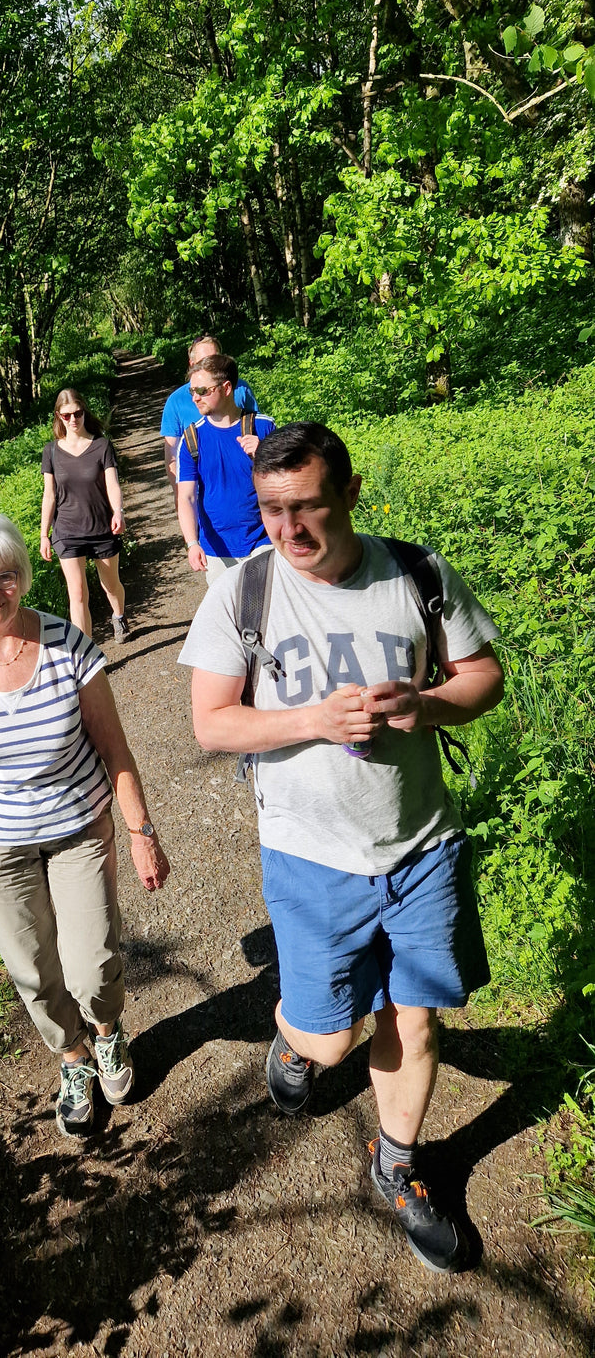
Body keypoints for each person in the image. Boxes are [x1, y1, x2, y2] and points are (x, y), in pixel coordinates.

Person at [179, 422, 504, 1273]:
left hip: (422, 844)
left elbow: (483, 675)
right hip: (311, 854)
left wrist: (428, 706)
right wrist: (315, 719)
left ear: (351, 493)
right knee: (333, 1039)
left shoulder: (416, 573)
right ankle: (295, 1043)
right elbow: (211, 721)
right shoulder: (243, 593)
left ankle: (398, 1164)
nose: (287, 529)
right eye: (270, 509)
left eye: (306, 507)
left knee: (415, 1013)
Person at [0, 513, 171, 1138]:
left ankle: (107, 1031)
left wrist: (141, 833)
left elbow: (114, 749)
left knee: (93, 964)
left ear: (23, 578)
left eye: (2, 577)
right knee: (31, 968)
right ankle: (74, 1058)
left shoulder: (68, 646)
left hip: (79, 828)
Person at [176, 353, 276, 586]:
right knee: (229, 617)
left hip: (264, 540)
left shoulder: (263, 427)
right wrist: (192, 544)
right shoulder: (192, 438)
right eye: (192, 391)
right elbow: (186, 497)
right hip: (216, 548)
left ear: (227, 387)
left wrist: (265, 454)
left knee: (267, 611)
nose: (195, 398)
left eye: (202, 391)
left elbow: (289, 482)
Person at [40, 388, 131, 642]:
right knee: (77, 593)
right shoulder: (51, 452)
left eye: (77, 413)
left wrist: (118, 512)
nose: (73, 420)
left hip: (103, 527)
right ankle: (86, 655)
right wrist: (44, 535)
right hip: (67, 532)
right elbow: (50, 495)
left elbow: (112, 483)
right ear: (58, 416)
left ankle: (119, 616)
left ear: (84, 412)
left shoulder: (101, 446)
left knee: (111, 585)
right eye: (66, 415)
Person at [159, 334, 260, 507]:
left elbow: (257, 430)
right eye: (204, 361)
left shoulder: (241, 389)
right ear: (192, 365)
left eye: (216, 359)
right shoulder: (176, 402)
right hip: (200, 495)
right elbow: (172, 456)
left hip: (245, 492)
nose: (211, 366)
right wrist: (182, 496)